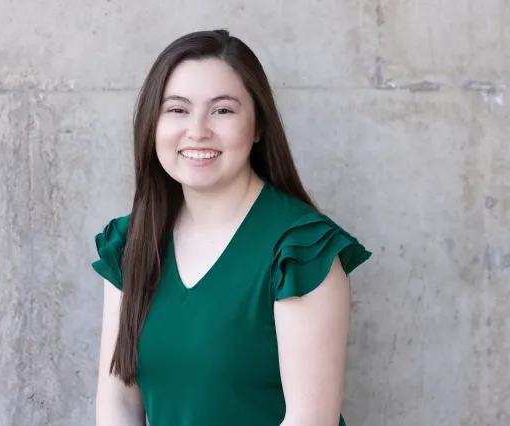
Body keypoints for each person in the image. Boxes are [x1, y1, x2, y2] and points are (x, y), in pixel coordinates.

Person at [92, 29, 371, 426]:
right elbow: (118, 402)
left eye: (222, 110)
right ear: (152, 123)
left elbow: (310, 420)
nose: (198, 130)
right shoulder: (128, 243)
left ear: (257, 127)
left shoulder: (300, 250)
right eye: (177, 109)